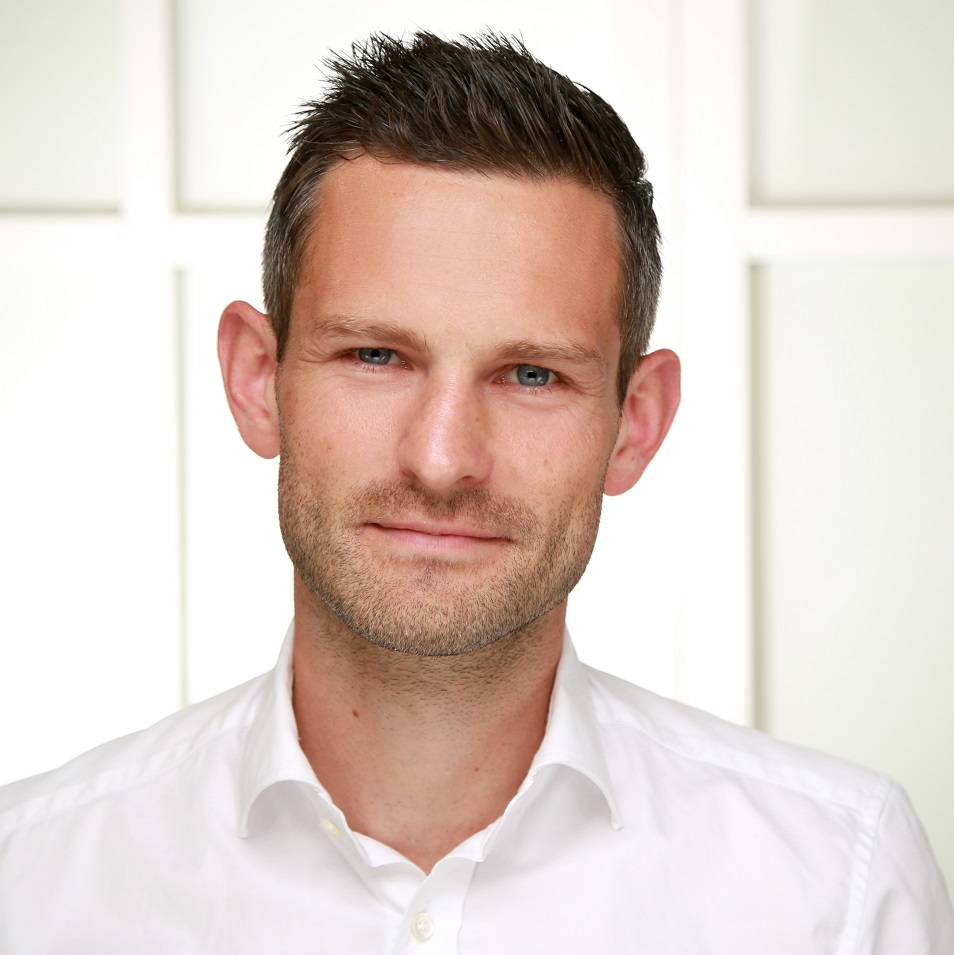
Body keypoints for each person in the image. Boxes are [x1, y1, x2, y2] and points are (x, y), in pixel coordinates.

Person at [0, 31, 951, 953]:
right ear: (258, 381)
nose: (442, 458)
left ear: (635, 422)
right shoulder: (29, 882)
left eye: (532, 374)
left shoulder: (837, 886)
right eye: (376, 355)